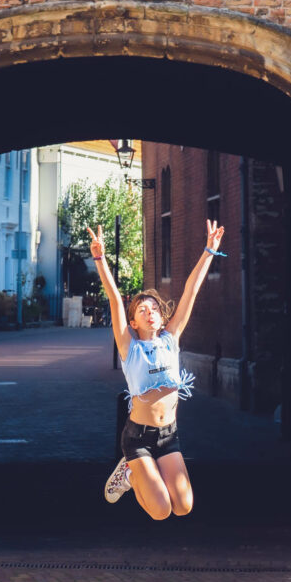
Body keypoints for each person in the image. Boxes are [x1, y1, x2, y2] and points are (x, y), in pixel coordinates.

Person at [86, 219, 226, 520]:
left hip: (168, 435)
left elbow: (191, 291)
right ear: (133, 322)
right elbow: (114, 298)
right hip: (137, 438)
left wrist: (209, 251)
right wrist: (100, 259)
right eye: (142, 309)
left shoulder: (170, 338)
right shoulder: (130, 348)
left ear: (162, 318)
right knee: (161, 511)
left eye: (154, 308)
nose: (150, 312)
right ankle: (130, 474)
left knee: (184, 507)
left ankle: (142, 474)